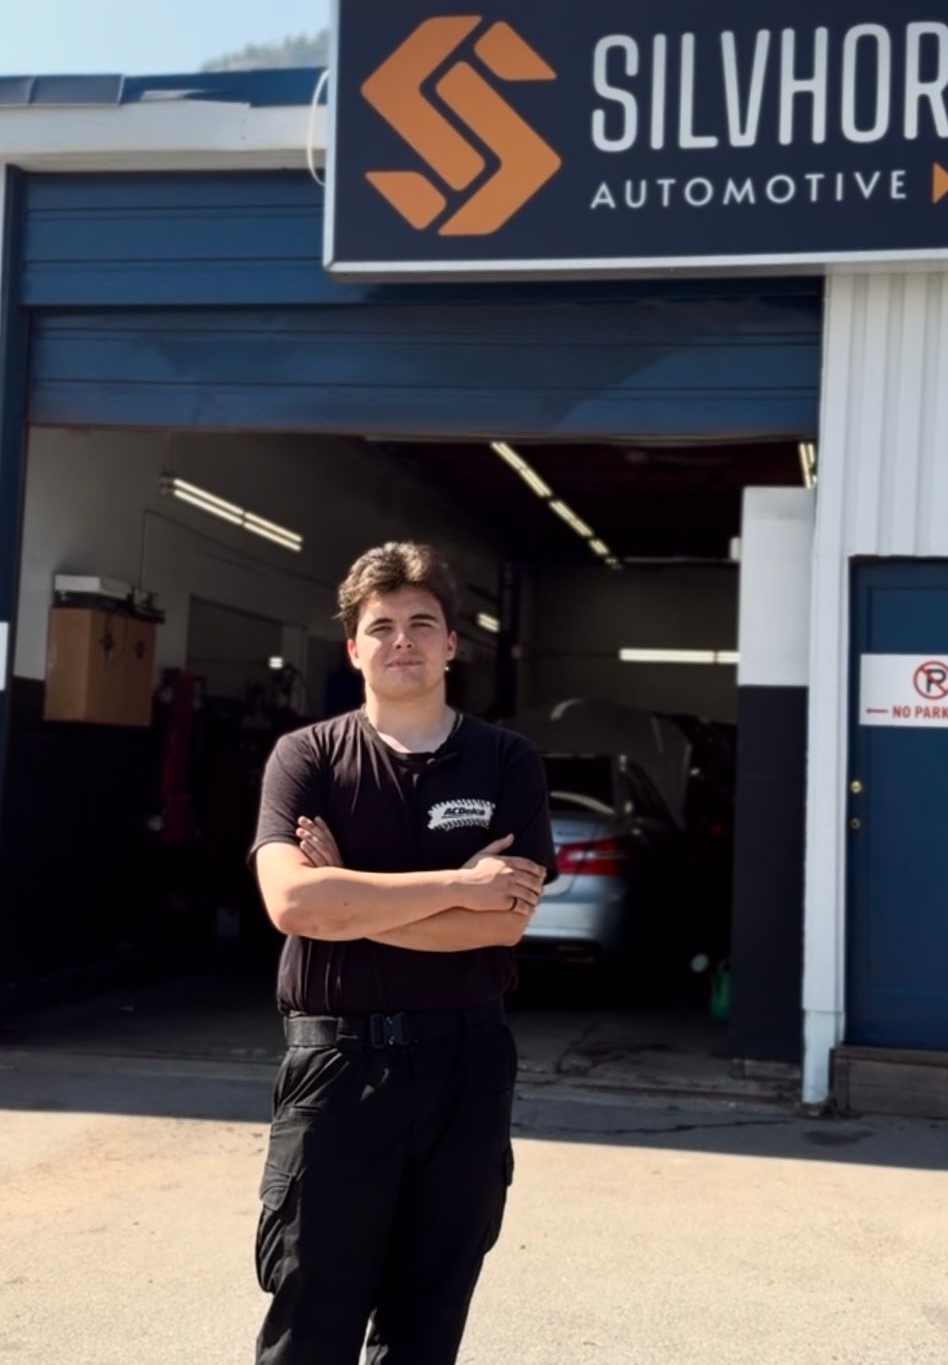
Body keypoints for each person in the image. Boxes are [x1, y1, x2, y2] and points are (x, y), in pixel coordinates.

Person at [249, 540, 556, 1364]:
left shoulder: (506, 761)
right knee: (310, 1320)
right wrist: (458, 885)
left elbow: (502, 923)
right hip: (337, 1068)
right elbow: (292, 903)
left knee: (427, 1323)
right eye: (381, 626)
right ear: (353, 648)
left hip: (466, 1065)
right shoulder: (308, 757)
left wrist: (349, 895)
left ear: (452, 643)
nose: (402, 640)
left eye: (422, 623)